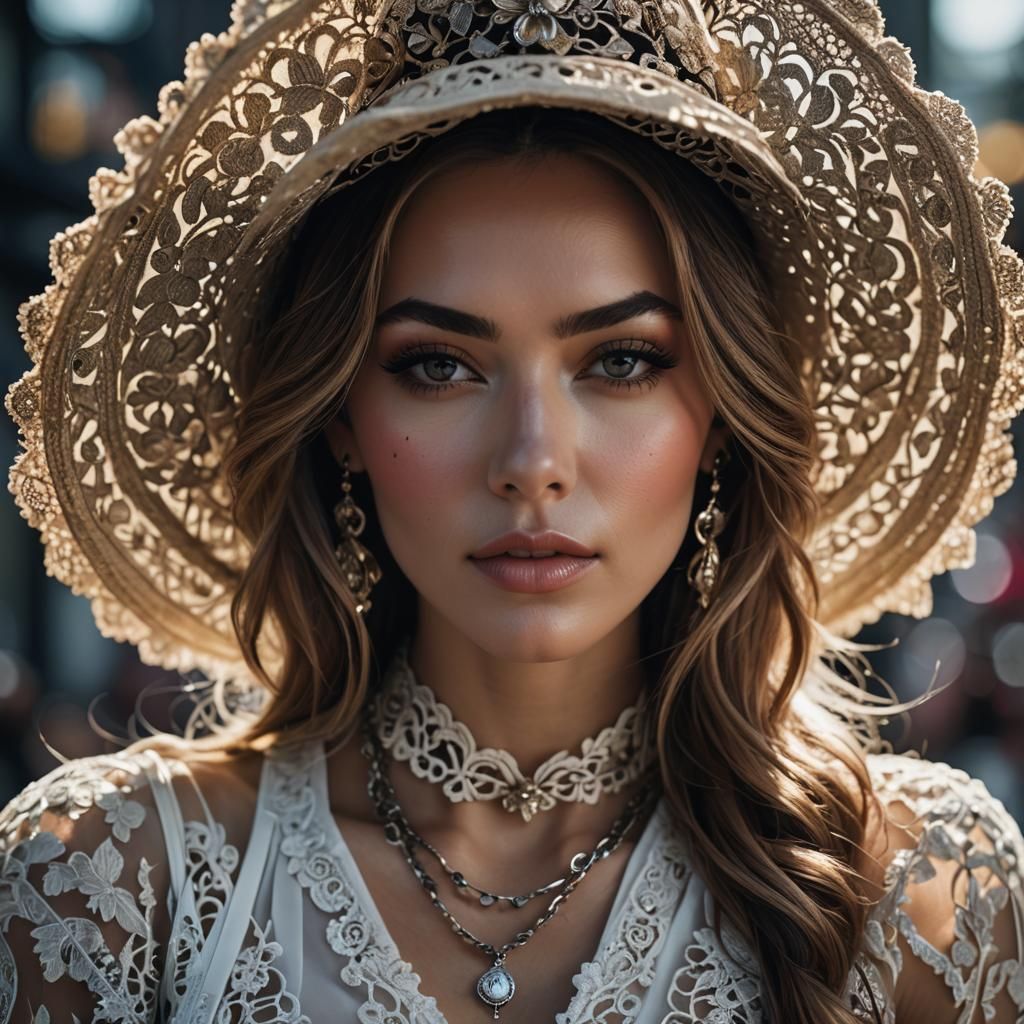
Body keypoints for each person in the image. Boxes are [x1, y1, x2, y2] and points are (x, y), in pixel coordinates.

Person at [2, 1, 1023, 1022]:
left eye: (621, 360)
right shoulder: (117, 887)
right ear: (341, 418)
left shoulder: (921, 892)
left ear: (721, 414)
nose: (532, 462)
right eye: (436, 365)